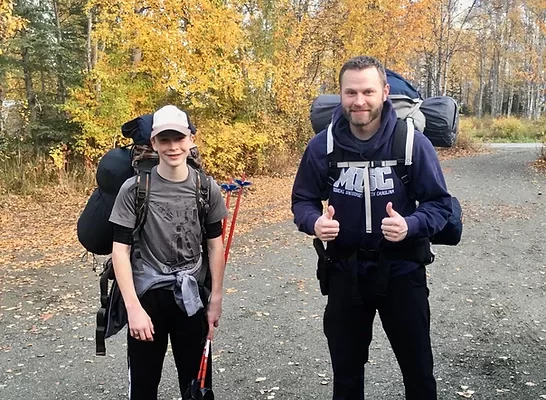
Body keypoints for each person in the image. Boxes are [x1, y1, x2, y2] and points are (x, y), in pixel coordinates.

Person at [291, 55, 452, 400]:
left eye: (367, 91)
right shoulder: (322, 146)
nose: (359, 101)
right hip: (344, 271)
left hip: (403, 269)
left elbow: (441, 205)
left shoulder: (411, 143)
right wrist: (314, 222)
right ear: (340, 94)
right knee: (346, 377)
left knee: (418, 372)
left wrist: (410, 225)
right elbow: (301, 201)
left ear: (385, 92)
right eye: (351, 93)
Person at [109, 105, 228, 399]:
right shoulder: (134, 189)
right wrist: (134, 309)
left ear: (191, 140)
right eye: (165, 139)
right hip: (148, 299)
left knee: (197, 388)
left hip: (192, 298)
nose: (173, 147)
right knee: (144, 386)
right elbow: (120, 251)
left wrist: (215, 299)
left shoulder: (206, 188)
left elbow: (215, 244)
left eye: (179, 138)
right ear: (153, 143)